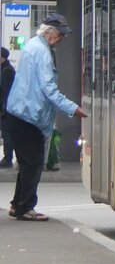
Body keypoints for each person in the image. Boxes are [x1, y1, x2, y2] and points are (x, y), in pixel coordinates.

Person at [5, 13, 87, 221]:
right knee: (33, 163)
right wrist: (72, 108)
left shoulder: (33, 45)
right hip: (28, 115)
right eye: (60, 34)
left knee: (27, 163)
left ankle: (18, 204)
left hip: (19, 112)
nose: (62, 39)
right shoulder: (42, 52)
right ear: (49, 32)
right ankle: (25, 207)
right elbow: (49, 89)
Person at [0, 47, 15, 168]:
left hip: (6, 108)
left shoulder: (7, 70)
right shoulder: (4, 69)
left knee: (7, 133)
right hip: (4, 107)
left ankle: (8, 158)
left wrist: (4, 108)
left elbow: (6, 91)